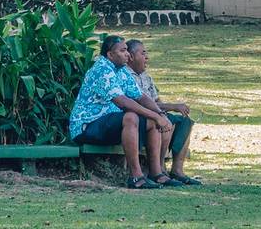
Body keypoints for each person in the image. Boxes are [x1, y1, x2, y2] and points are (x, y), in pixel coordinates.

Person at [69, 35, 183, 189]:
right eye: (122, 51)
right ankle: (136, 177)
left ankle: (156, 173)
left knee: (150, 121)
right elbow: (122, 102)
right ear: (110, 54)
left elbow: (141, 96)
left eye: (127, 50)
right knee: (131, 117)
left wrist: (159, 114)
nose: (127, 54)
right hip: (88, 126)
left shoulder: (121, 71)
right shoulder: (102, 69)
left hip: (109, 124)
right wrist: (156, 116)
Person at [124, 39, 202, 185]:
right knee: (164, 122)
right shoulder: (126, 75)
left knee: (185, 122)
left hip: (155, 111)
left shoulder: (146, 76)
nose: (147, 57)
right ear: (131, 57)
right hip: (143, 115)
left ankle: (177, 170)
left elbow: (156, 100)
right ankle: (159, 169)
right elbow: (138, 102)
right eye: (143, 53)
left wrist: (165, 109)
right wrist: (172, 107)